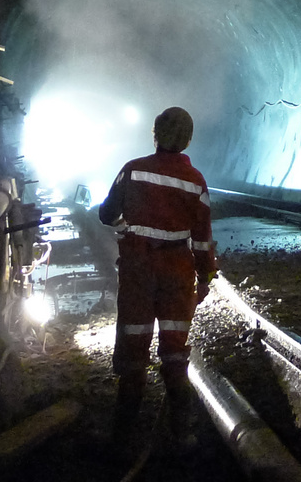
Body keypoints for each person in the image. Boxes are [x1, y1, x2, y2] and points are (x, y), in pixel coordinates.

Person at [98, 106, 217, 451]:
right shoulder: (195, 182)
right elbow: (202, 237)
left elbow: (107, 213)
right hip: (177, 274)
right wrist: (206, 275)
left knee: (134, 349)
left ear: (155, 134)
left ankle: (122, 440)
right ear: (189, 139)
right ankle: (182, 435)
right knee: (175, 352)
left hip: (138, 271)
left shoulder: (133, 171)